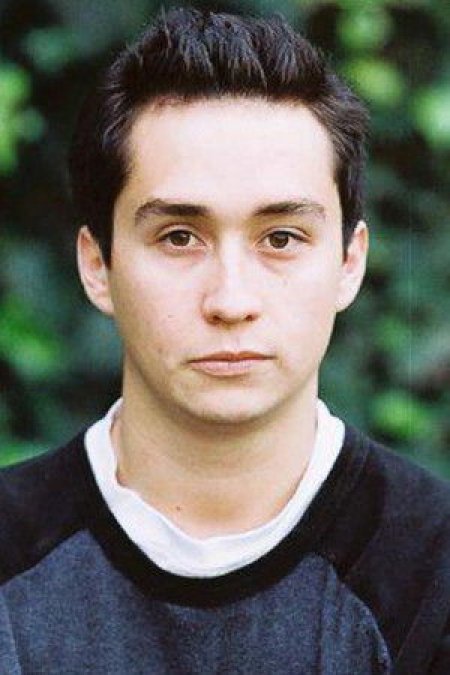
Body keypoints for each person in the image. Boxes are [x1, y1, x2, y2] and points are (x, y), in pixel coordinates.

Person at [0, 7, 449, 674]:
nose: (231, 301)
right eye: (179, 237)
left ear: (349, 262)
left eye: (281, 238)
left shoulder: (433, 570)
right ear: (97, 265)